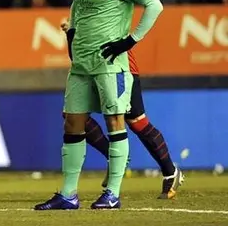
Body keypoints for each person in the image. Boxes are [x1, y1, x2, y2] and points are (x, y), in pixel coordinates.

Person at [34, 0, 164, 211]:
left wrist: (129, 41)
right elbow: (77, 6)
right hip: (81, 63)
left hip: (109, 64)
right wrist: (72, 37)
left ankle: (113, 194)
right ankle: (68, 194)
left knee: (115, 122)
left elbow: (155, 5)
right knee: (72, 120)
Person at [60, 21, 184, 199]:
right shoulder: (81, 11)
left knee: (137, 122)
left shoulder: (104, 11)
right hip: (91, 71)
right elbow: (76, 57)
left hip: (119, 69)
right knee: (73, 117)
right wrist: (71, 34)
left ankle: (170, 172)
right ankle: (113, 155)